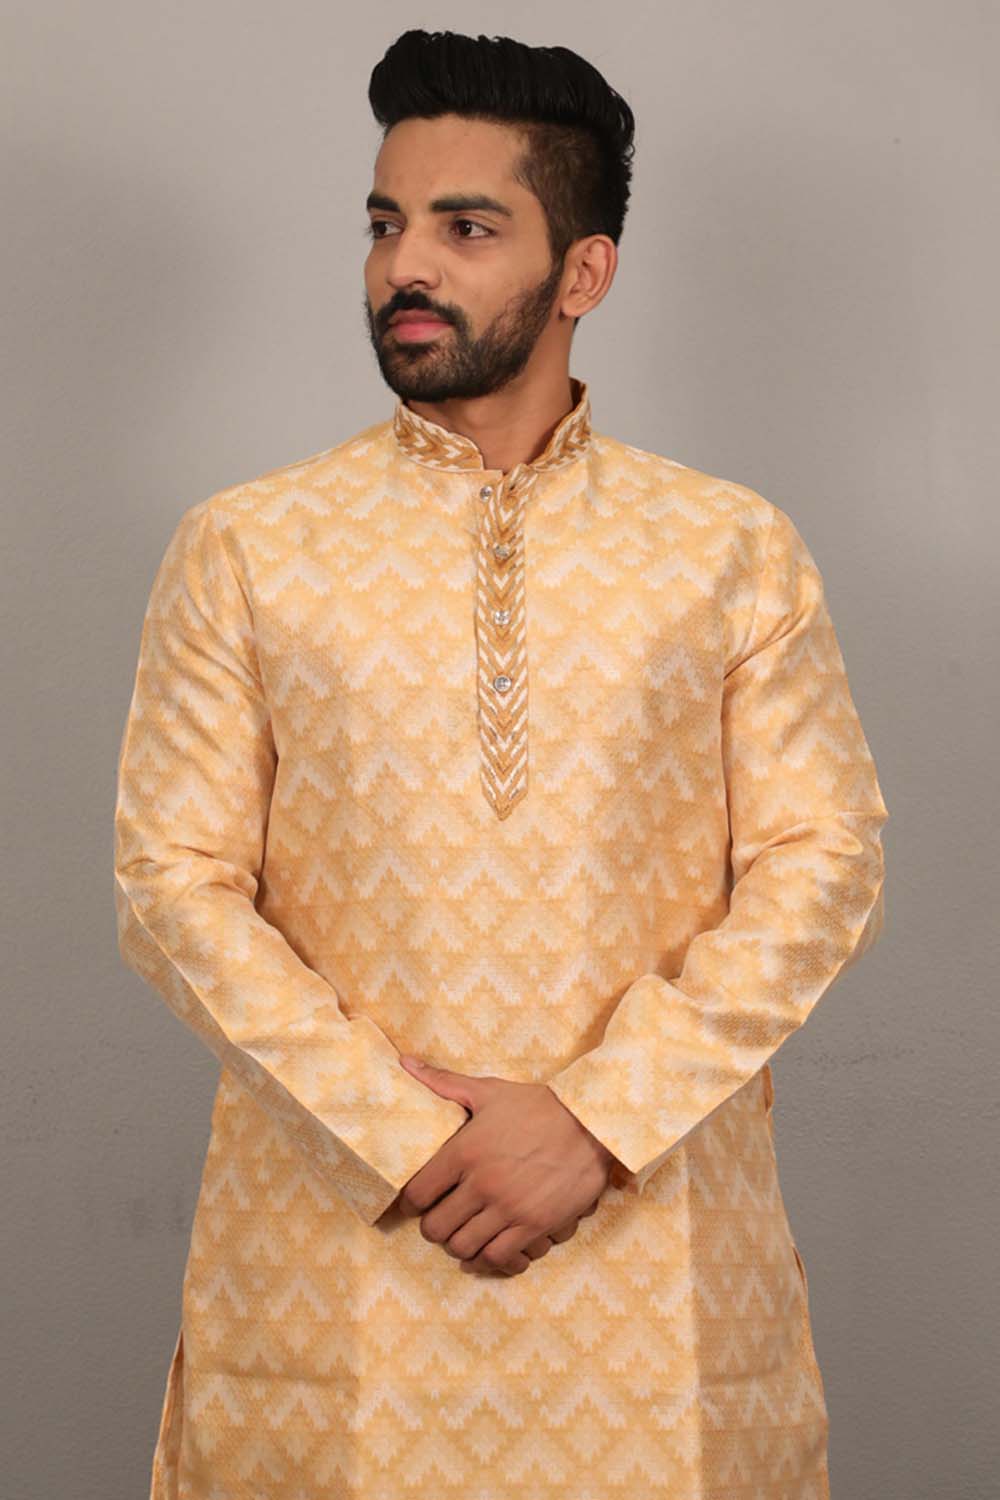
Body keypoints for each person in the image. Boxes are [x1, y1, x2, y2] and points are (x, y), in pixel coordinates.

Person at [113, 27, 888, 1500]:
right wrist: (404, 1136)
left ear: (583, 273)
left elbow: (823, 862)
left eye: (466, 229)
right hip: (342, 1268)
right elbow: (172, 886)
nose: (404, 266)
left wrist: (596, 1123)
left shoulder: (728, 550)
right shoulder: (249, 548)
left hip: (649, 1265)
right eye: (385, 223)